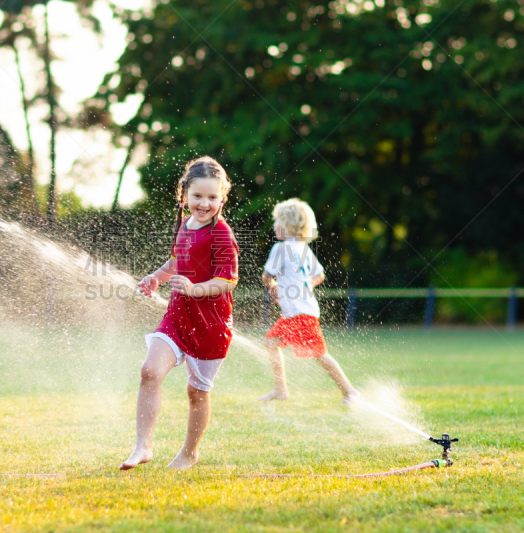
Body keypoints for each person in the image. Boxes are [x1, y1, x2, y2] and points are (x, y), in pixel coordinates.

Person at [120, 156, 239, 471]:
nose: (204, 203)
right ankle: (143, 446)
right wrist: (155, 278)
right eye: (198, 196)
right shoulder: (184, 225)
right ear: (184, 194)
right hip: (177, 316)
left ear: (222, 198)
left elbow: (228, 281)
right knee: (149, 371)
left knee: (196, 392)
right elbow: (174, 263)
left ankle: (189, 452)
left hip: (212, 325)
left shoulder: (222, 234)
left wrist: (194, 288)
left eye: (212, 197)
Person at [258, 198, 358, 404]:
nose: (275, 225)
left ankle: (349, 391)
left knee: (319, 354)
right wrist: (304, 287)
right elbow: (319, 275)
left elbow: (266, 277)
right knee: (271, 342)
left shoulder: (281, 248)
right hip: (299, 311)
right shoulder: (303, 248)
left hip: (299, 313)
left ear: (289, 224)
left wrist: (275, 287)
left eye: (277, 221)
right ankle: (280, 389)